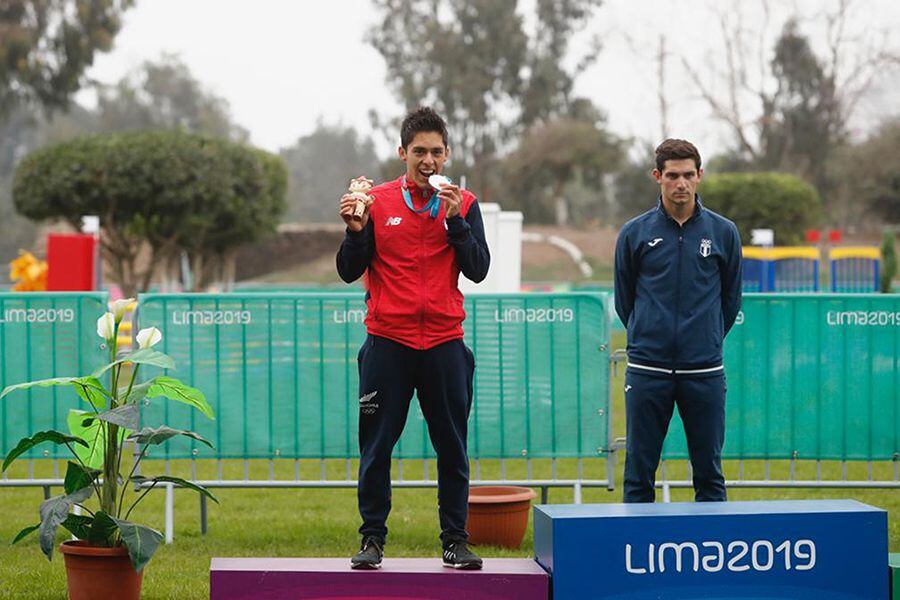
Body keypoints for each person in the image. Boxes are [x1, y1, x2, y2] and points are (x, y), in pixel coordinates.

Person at [336, 106, 490, 569]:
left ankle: (455, 541)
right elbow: (348, 271)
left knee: (452, 446)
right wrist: (356, 232)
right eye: (419, 151)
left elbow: (478, 269)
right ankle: (372, 541)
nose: (428, 160)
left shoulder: (463, 203)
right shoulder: (376, 202)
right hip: (388, 343)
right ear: (402, 153)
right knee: (377, 446)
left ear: (447, 155)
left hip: (444, 342)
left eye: (436, 152)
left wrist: (455, 221)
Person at [614, 138, 742, 503]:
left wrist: (709, 337)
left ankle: (711, 554)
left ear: (700, 176)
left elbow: (730, 299)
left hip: (703, 370)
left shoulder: (724, 232)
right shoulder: (634, 233)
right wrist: (646, 333)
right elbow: (625, 301)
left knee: (709, 474)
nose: (681, 183)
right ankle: (636, 554)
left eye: (688, 174)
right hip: (647, 369)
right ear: (658, 176)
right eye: (672, 175)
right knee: (638, 473)